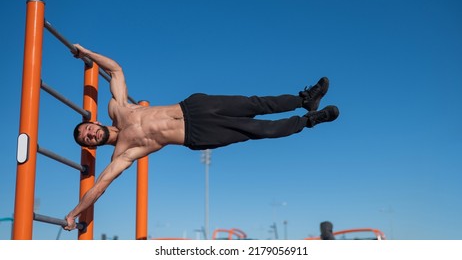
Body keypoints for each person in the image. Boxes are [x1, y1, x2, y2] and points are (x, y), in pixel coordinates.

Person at [64, 44, 339, 230]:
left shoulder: (119, 108)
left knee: (255, 104)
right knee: (260, 130)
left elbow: (115, 70)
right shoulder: (123, 154)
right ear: (93, 144)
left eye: (87, 129)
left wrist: (84, 52)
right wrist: (73, 214)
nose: (89, 134)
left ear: (95, 122)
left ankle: (305, 100)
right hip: (196, 133)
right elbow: (99, 186)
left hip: (194, 106)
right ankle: (310, 120)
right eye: (86, 139)